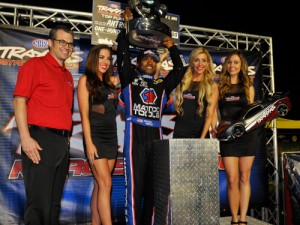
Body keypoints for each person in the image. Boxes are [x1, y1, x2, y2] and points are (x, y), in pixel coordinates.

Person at [116, 7, 186, 225]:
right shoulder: (129, 78)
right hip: (135, 136)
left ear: (157, 64)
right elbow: (122, 55)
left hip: (155, 137)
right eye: (145, 59)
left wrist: (171, 47)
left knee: (154, 190)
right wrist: (126, 28)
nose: (149, 62)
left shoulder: (162, 84)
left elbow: (180, 70)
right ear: (138, 63)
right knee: (135, 190)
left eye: (153, 60)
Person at [13, 25, 74, 225]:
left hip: (62, 144)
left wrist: (64, 143)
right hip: (39, 141)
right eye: (62, 42)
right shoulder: (34, 65)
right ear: (50, 43)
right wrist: (25, 138)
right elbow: (19, 101)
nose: (67, 47)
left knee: (54, 204)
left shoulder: (67, 76)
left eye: (70, 43)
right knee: (39, 205)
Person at [77, 44, 118, 225]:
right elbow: (84, 115)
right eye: (101, 57)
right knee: (106, 185)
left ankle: (95, 222)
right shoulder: (85, 80)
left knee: (99, 185)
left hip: (111, 138)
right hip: (95, 138)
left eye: (108, 58)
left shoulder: (110, 82)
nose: (105, 61)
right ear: (94, 58)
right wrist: (89, 143)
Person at [214, 50, 256, 225]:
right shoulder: (219, 86)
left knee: (245, 177)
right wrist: (217, 127)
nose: (232, 65)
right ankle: (234, 218)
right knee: (232, 179)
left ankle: (243, 219)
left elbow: (252, 113)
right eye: (230, 62)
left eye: (236, 63)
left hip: (247, 136)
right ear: (226, 65)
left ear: (241, 66)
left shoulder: (248, 87)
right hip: (228, 138)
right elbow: (214, 112)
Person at [173, 47, 219, 138]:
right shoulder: (182, 80)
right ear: (192, 62)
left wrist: (201, 138)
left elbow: (210, 114)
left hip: (200, 134)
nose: (200, 64)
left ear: (208, 63)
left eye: (203, 60)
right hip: (179, 133)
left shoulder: (212, 85)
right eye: (196, 60)